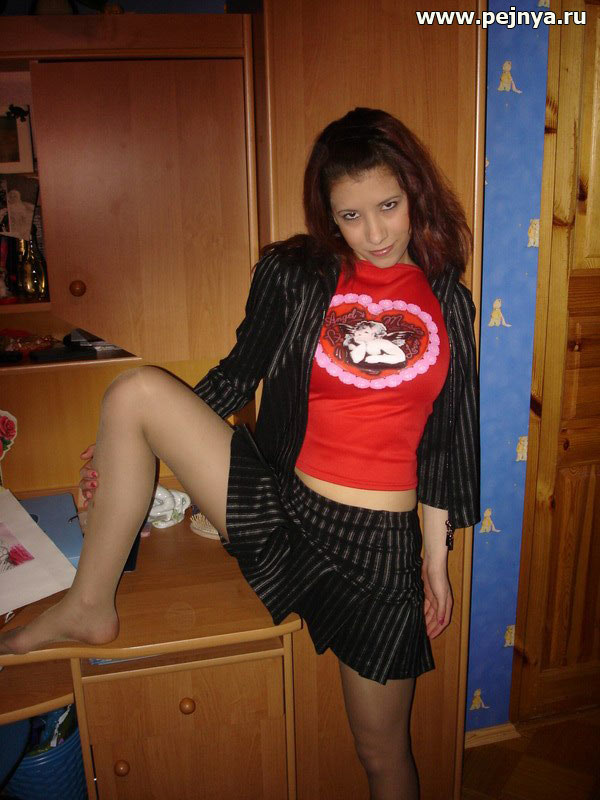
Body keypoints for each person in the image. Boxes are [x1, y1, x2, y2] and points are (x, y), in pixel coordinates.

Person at [1, 108, 480, 800]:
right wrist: (133, 437)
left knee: (382, 753)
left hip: (377, 550)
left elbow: (445, 442)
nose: (375, 234)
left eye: (388, 207)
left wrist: (434, 561)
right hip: (285, 507)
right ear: (329, 216)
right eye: (351, 216)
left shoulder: (447, 303)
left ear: (414, 194)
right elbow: (235, 375)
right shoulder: (299, 277)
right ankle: (88, 605)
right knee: (135, 393)